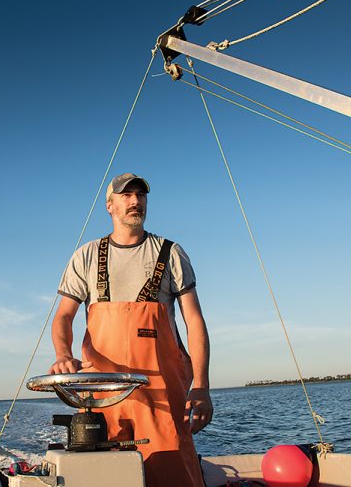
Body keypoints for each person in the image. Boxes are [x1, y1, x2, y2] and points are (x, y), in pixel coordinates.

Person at [49, 173, 212, 487]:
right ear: (110, 205)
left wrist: (202, 387)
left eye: (141, 195)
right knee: (108, 474)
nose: (135, 201)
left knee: (173, 471)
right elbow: (63, 317)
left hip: (164, 396)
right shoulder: (86, 256)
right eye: (126, 196)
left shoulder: (171, 253)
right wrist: (62, 355)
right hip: (103, 397)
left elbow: (195, 322)